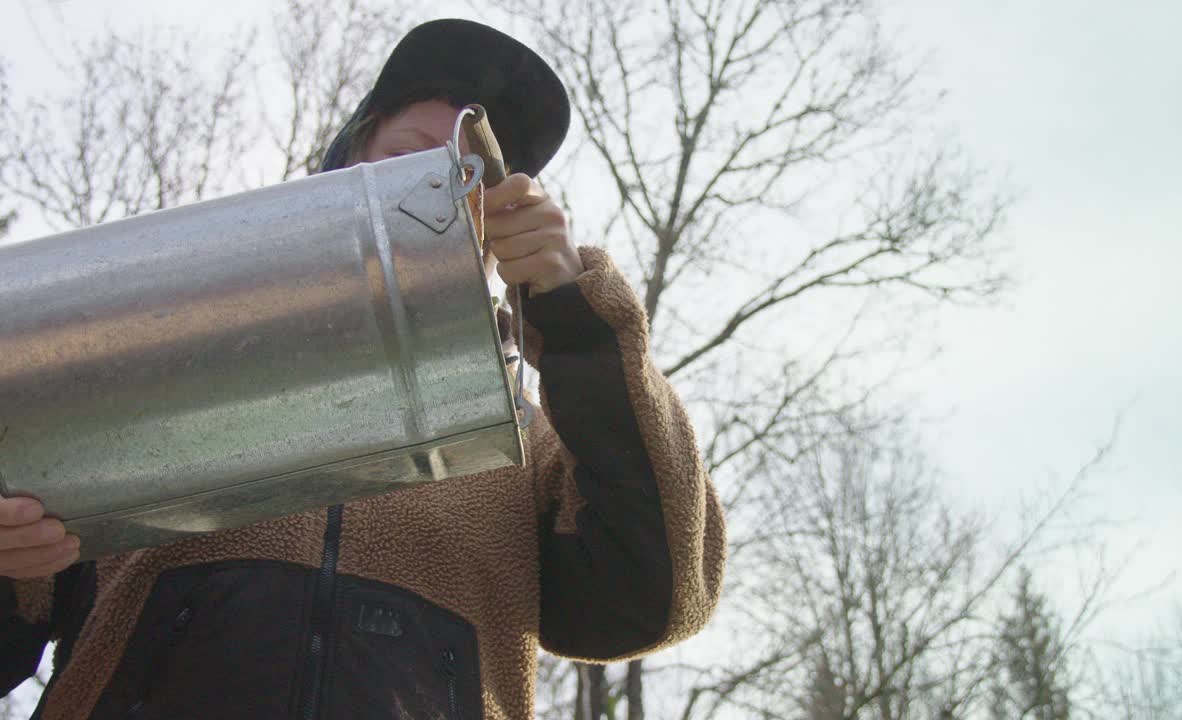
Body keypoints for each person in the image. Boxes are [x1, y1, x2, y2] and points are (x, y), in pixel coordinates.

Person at [0, 19, 724, 719]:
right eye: (410, 160)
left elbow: (653, 600)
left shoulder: (529, 441)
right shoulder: (158, 369)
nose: (438, 191)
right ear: (346, 165)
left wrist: (576, 326)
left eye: (469, 179)